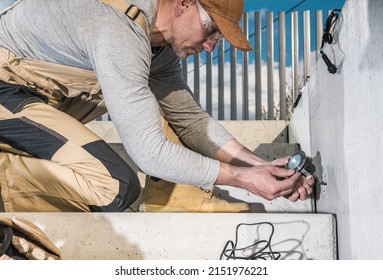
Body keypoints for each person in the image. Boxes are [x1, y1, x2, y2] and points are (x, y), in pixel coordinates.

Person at [0, 0, 314, 212]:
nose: (209, 46)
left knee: (156, 104)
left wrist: (258, 167)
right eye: (211, 30)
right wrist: (242, 179)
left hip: (29, 102)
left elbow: (189, 120)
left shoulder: (157, 48)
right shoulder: (118, 28)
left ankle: (178, 200)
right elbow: (148, 153)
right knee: (114, 185)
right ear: (186, 3)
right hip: (5, 91)